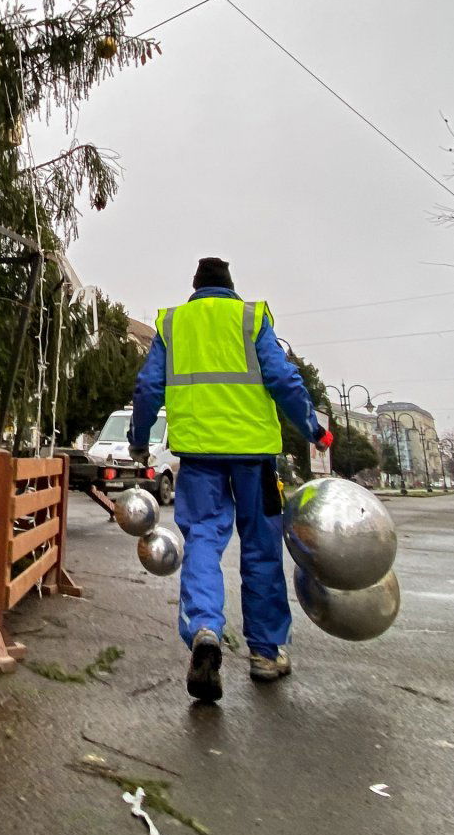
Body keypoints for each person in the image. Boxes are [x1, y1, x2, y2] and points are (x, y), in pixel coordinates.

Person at [129, 256, 332, 704]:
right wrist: (314, 429)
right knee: (260, 550)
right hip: (255, 458)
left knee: (202, 541)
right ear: (230, 286)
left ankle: (204, 628)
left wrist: (139, 441)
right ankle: (265, 653)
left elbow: (147, 388)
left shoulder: (172, 323)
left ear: (195, 288)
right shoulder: (251, 316)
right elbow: (282, 378)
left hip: (198, 457)